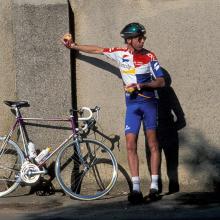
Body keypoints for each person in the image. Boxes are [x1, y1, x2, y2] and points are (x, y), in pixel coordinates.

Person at [61, 22, 165, 204]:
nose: (143, 41)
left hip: (149, 104)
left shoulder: (149, 56)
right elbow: (97, 50)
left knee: (152, 143)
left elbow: (161, 82)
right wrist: (74, 46)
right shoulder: (120, 53)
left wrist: (142, 85)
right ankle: (136, 189)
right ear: (129, 40)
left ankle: (155, 186)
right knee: (130, 144)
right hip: (132, 106)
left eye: (143, 38)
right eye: (139, 38)